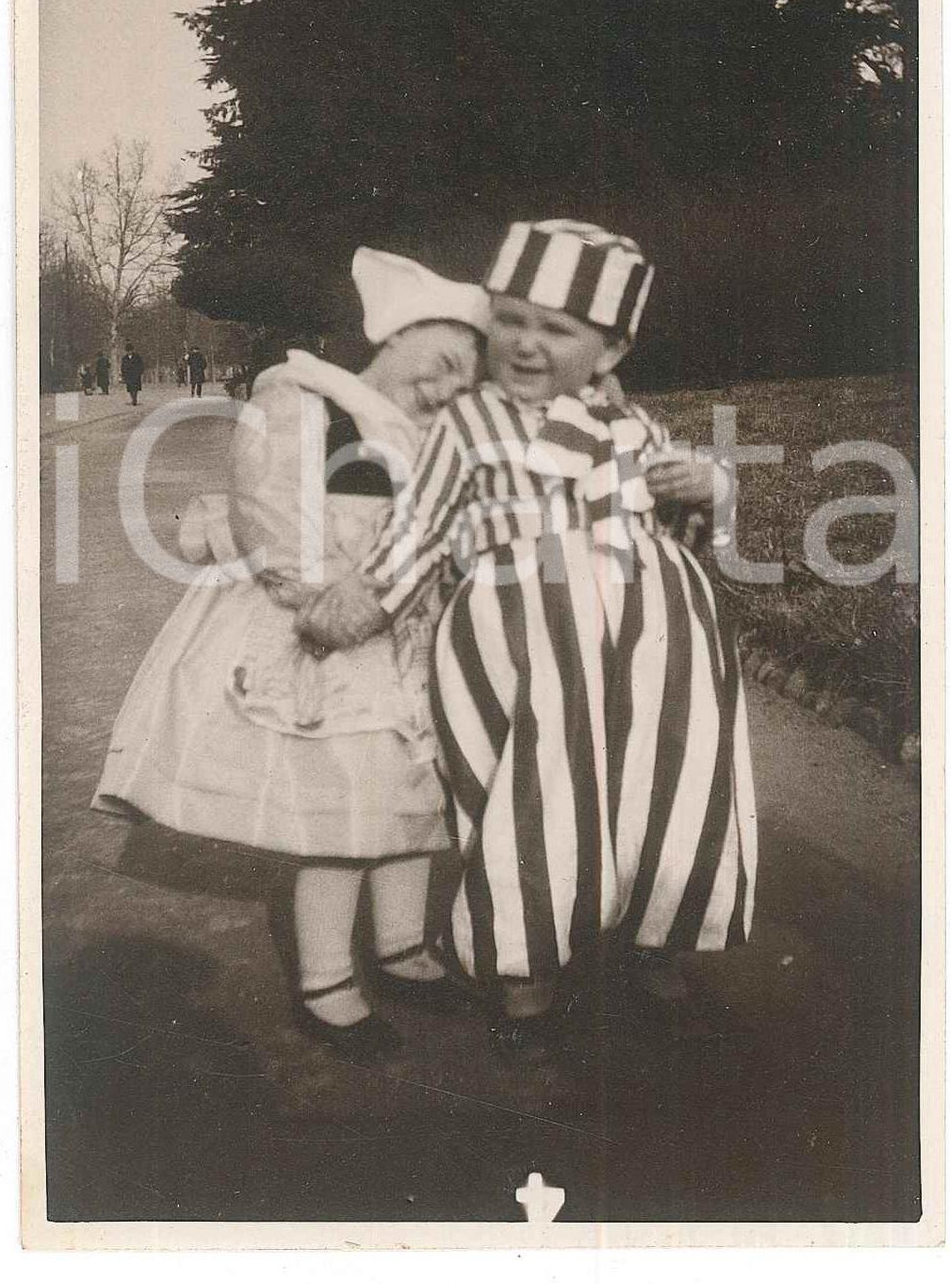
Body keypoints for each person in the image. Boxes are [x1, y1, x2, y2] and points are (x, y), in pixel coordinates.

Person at [297, 219, 758, 1059]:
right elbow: (422, 527)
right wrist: (362, 600)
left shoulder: (634, 426)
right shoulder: (470, 425)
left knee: (663, 785)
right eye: (510, 320)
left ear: (609, 351)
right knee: (533, 796)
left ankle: (658, 941)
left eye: (557, 329)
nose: (526, 344)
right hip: (523, 631)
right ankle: (526, 974)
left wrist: (710, 487)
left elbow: (685, 529)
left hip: (656, 638)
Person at [92, 248, 489, 1063]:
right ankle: (325, 978)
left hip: (410, 629)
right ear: (395, 337)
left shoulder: (439, 435)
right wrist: (319, 593)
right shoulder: (308, 400)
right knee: (342, 808)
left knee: (416, 793)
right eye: (440, 363)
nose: (449, 386)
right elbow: (270, 506)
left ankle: (404, 946)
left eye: (466, 378)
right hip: (322, 625)